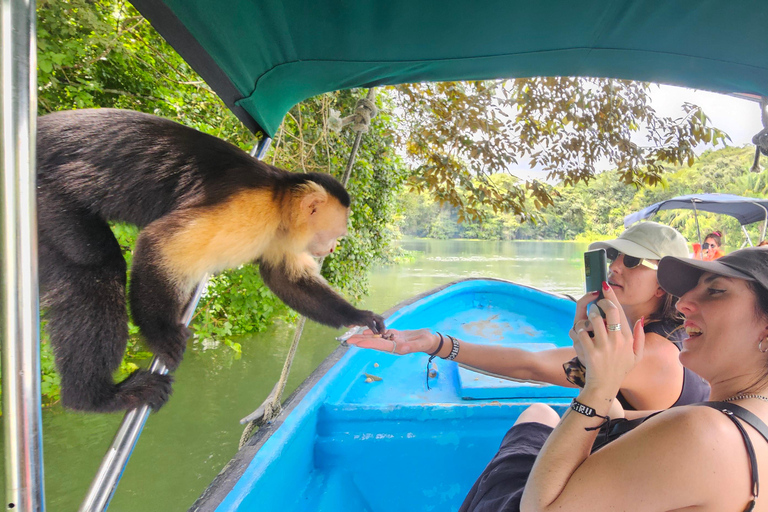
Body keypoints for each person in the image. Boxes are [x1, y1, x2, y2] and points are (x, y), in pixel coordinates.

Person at [458, 246, 768, 512]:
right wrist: (611, 401)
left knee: (534, 418)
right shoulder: (749, 414)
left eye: (715, 291)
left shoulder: (703, 430)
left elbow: (540, 508)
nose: (682, 303)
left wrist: (599, 387)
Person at [348, 222, 709, 412]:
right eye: (614, 254)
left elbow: (532, 366)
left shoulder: (651, 353)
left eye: (631, 261)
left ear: (662, 286)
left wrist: (437, 344)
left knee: (538, 416)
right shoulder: (640, 333)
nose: (614, 266)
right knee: (540, 415)